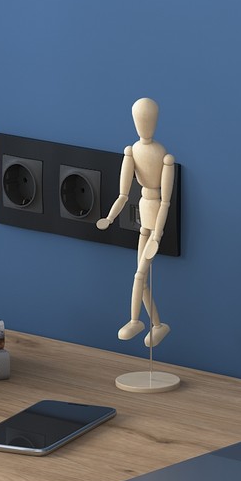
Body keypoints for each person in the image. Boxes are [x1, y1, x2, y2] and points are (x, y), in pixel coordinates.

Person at [96, 97, 176, 349]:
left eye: (148, 120)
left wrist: (158, 234)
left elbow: (165, 202)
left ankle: (134, 320)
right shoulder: (132, 151)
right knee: (140, 282)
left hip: (155, 222)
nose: (144, 125)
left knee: (140, 274)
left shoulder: (164, 158)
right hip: (143, 219)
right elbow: (123, 194)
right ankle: (157, 325)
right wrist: (109, 217)